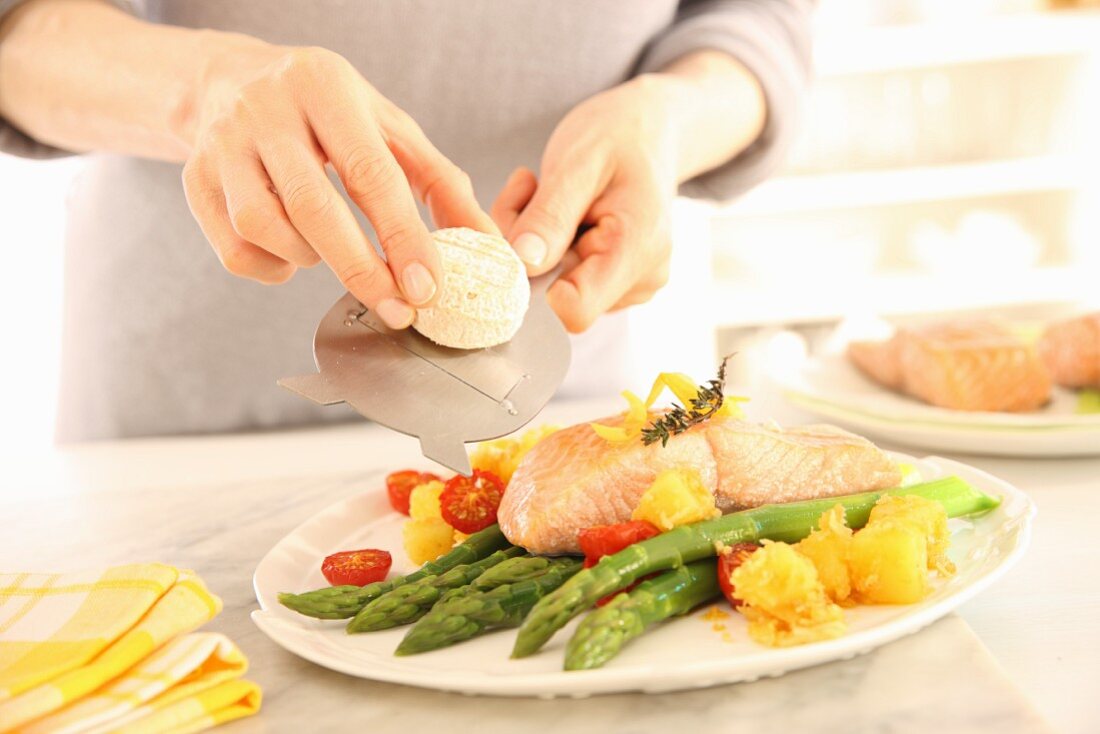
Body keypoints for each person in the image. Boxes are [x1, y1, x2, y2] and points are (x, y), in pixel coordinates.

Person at [0, 0, 811, 441]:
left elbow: (759, 21)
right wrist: (206, 86)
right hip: (185, 416)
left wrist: (668, 118)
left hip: (536, 401)